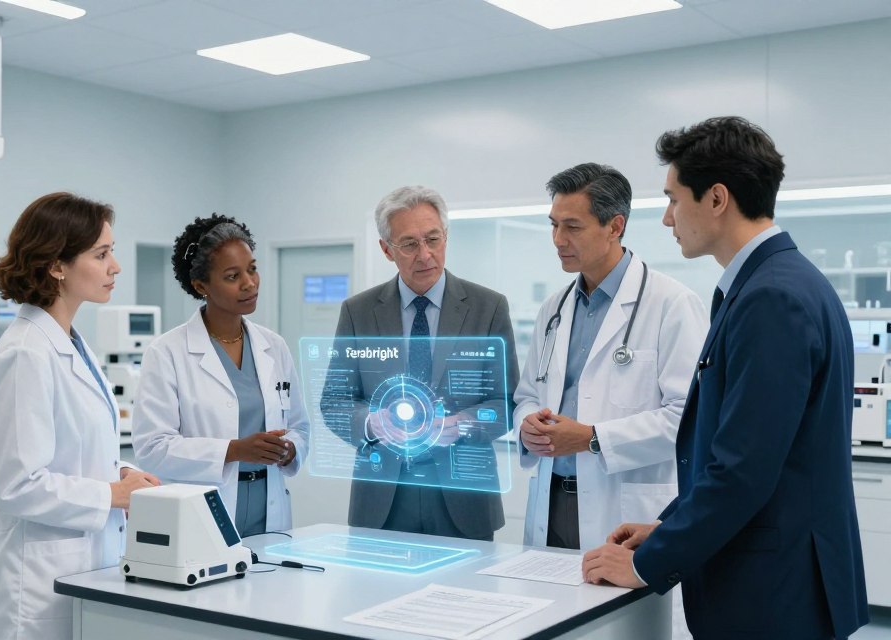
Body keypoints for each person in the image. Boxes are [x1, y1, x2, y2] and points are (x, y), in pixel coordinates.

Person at [582, 116, 869, 640]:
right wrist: (667, 525)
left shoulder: (771, 299)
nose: (668, 218)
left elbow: (743, 469)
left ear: (716, 198)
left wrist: (649, 563)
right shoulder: (778, 283)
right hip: (781, 578)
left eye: (673, 199)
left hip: (773, 590)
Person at [0, 193, 160, 640]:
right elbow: (17, 485)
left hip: (81, 561)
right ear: (56, 265)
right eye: (101, 254)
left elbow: (71, 451)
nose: (115, 266)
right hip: (32, 580)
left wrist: (121, 474)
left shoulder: (72, 344)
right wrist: (112, 493)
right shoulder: (25, 353)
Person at [515, 162, 707, 552]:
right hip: (551, 501)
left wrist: (591, 439)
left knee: (616, 612)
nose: (558, 239)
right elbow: (527, 396)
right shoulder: (554, 308)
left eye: (572, 226)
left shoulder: (672, 304)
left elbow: (688, 419)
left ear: (615, 226)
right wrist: (526, 425)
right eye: (553, 225)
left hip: (623, 509)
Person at [330, 185, 519, 541]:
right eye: (409, 244)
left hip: (463, 497)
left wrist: (463, 423)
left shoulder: (488, 307)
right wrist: (371, 423)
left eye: (433, 239)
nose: (425, 254)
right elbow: (335, 401)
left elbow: (507, 400)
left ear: (446, 236)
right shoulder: (358, 312)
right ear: (387, 249)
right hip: (383, 495)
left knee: (465, 597)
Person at [132, 214, 309, 537]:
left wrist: (290, 449)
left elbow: (299, 425)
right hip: (203, 512)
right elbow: (152, 449)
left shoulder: (274, 346)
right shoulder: (168, 352)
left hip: (269, 510)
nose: (249, 283)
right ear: (201, 286)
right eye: (232, 276)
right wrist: (234, 450)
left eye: (252, 269)